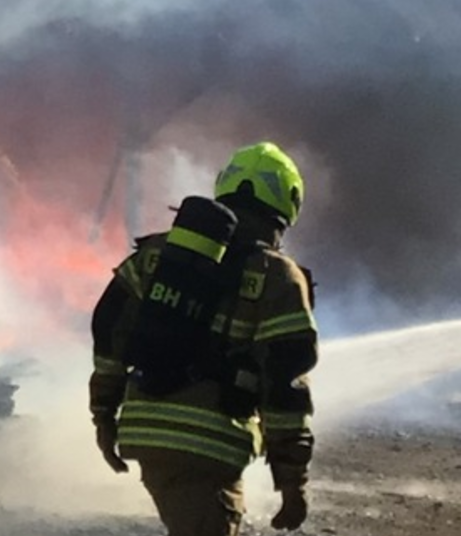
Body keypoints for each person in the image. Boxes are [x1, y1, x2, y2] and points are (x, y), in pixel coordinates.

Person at [89, 141, 318, 536]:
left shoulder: (157, 254)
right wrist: (292, 480)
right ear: (289, 203)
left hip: (144, 429)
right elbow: (286, 383)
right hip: (209, 444)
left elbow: (109, 331)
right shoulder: (278, 278)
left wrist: (104, 416)